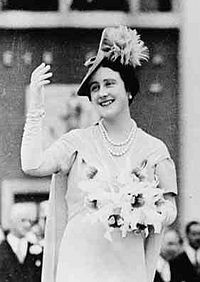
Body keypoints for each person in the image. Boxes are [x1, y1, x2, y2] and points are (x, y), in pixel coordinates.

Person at [21, 25, 178, 282]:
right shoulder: (76, 141)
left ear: (129, 90)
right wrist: (36, 104)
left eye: (109, 83)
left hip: (126, 264)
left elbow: (170, 209)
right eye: (94, 88)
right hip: (79, 263)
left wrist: (146, 209)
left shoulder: (154, 149)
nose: (101, 93)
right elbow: (31, 164)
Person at [0, 202, 43, 282]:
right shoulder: (2, 250)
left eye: (30, 221)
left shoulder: (37, 250)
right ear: (11, 221)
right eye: (23, 220)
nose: (27, 225)